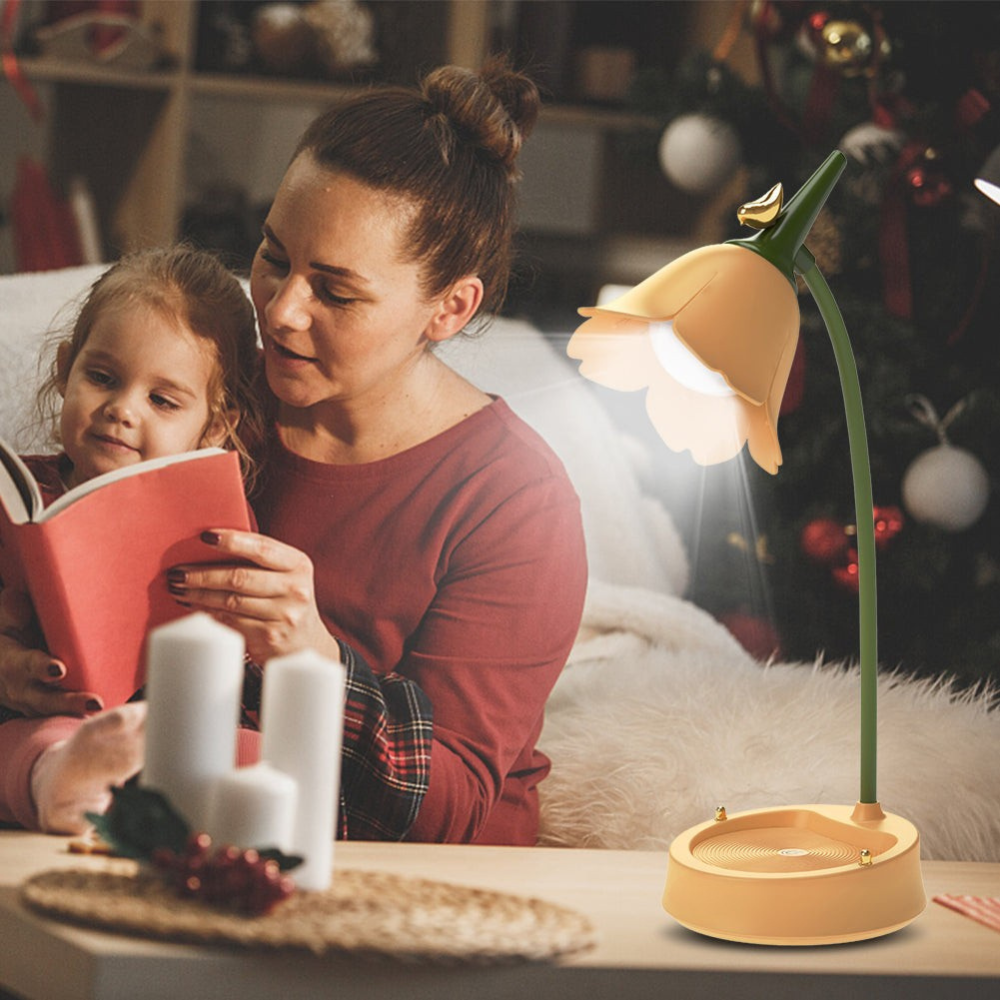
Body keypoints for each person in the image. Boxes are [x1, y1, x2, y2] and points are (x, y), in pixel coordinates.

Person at [1, 57, 588, 845]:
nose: (279, 312)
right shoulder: (211, 391)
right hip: (150, 814)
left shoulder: (515, 501)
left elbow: (451, 808)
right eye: (275, 256)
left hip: (399, 882)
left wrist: (311, 657)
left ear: (450, 308)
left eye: (337, 292)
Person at [0, 244, 264, 834]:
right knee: (33, 744)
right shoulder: (15, 493)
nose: (121, 410)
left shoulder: (215, 518)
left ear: (213, 428)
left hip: (173, 727)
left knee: (256, 750)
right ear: (65, 370)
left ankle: (151, 793)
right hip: (43, 716)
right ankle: (60, 783)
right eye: (102, 378)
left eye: (162, 400)